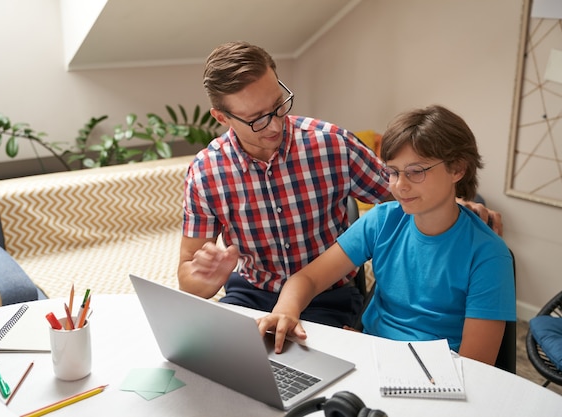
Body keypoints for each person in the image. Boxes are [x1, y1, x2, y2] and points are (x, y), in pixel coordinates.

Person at [177, 41, 503, 329]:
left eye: (279, 105)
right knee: (219, 366)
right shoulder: (206, 172)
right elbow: (188, 277)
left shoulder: (331, 144)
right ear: (222, 118)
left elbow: (405, 191)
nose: (276, 124)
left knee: (304, 375)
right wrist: (207, 280)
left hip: (327, 296)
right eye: (257, 118)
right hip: (249, 292)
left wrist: (458, 207)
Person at [257, 104, 516, 366]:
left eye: (416, 171)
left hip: (440, 375)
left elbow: (476, 365)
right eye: (393, 172)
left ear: (457, 170)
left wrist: (379, 354)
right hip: (372, 359)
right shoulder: (382, 220)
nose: (400, 186)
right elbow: (308, 278)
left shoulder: (489, 255)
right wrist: (285, 312)